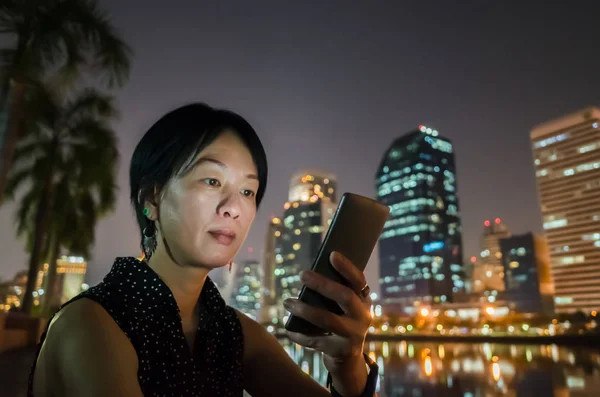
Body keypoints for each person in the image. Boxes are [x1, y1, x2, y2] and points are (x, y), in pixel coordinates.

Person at [28, 103, 379, 397]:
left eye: (248, 192)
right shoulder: (93, 326)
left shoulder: (233, 333)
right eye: (212, 181)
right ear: (151, 198)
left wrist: (348, 366)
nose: (234, 207)